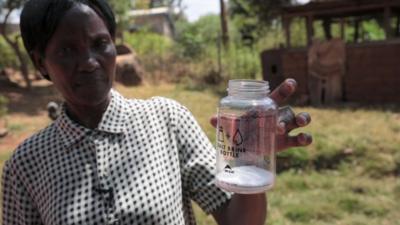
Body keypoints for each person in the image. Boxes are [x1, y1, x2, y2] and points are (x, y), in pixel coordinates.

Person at [1, 0, 312, 224]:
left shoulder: (166, 120)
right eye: (67, 51)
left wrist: (249, 161)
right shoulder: (26, 166)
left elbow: (238, 221)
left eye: (100, 43)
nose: (89, 62)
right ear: (41, 62)